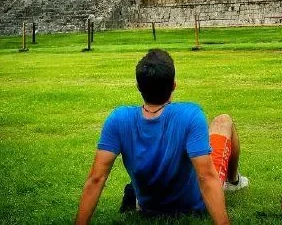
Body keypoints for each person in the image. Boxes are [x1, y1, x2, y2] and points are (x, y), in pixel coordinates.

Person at [75, 49, 248, 225]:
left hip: (148, 205)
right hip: (194, 204)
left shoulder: (118, 119)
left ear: (138, 87)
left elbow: (96, 178)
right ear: (174, 85)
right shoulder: (191, 114)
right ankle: (233, 181)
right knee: (223, 121)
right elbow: (206, 177)